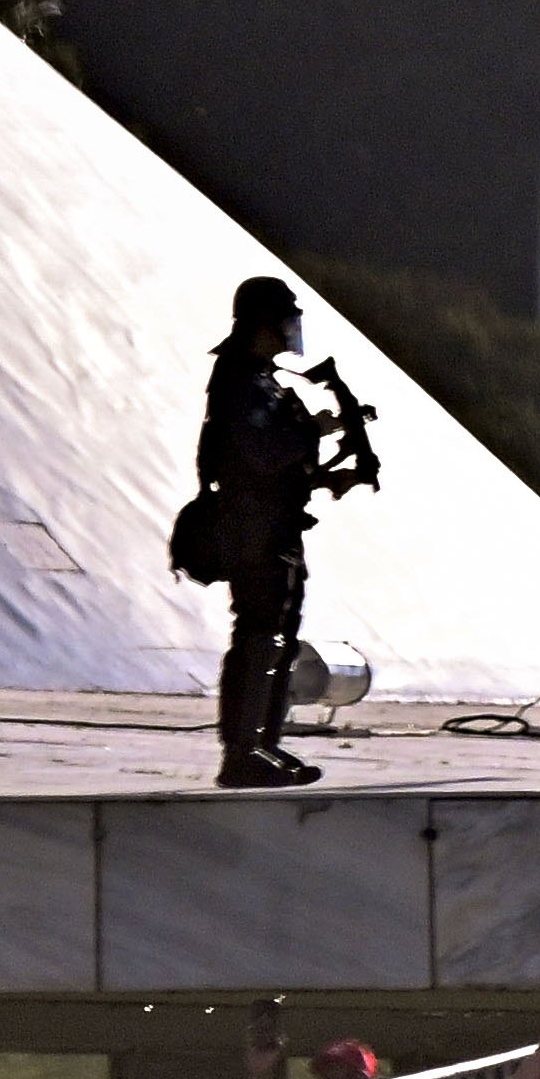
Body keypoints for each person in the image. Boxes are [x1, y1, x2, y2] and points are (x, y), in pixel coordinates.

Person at [197, 272, 367, 788]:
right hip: (254, 528)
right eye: (284, 320)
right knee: (258, 635)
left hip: (276, 523)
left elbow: (279, 457)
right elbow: (260, 454)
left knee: (277, 639)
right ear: (261, 325)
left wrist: (327, 470)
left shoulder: (261, 379)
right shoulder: (241, 381)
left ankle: (263, 743)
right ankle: (242, 750)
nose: (291, 331)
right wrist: (311, 431)